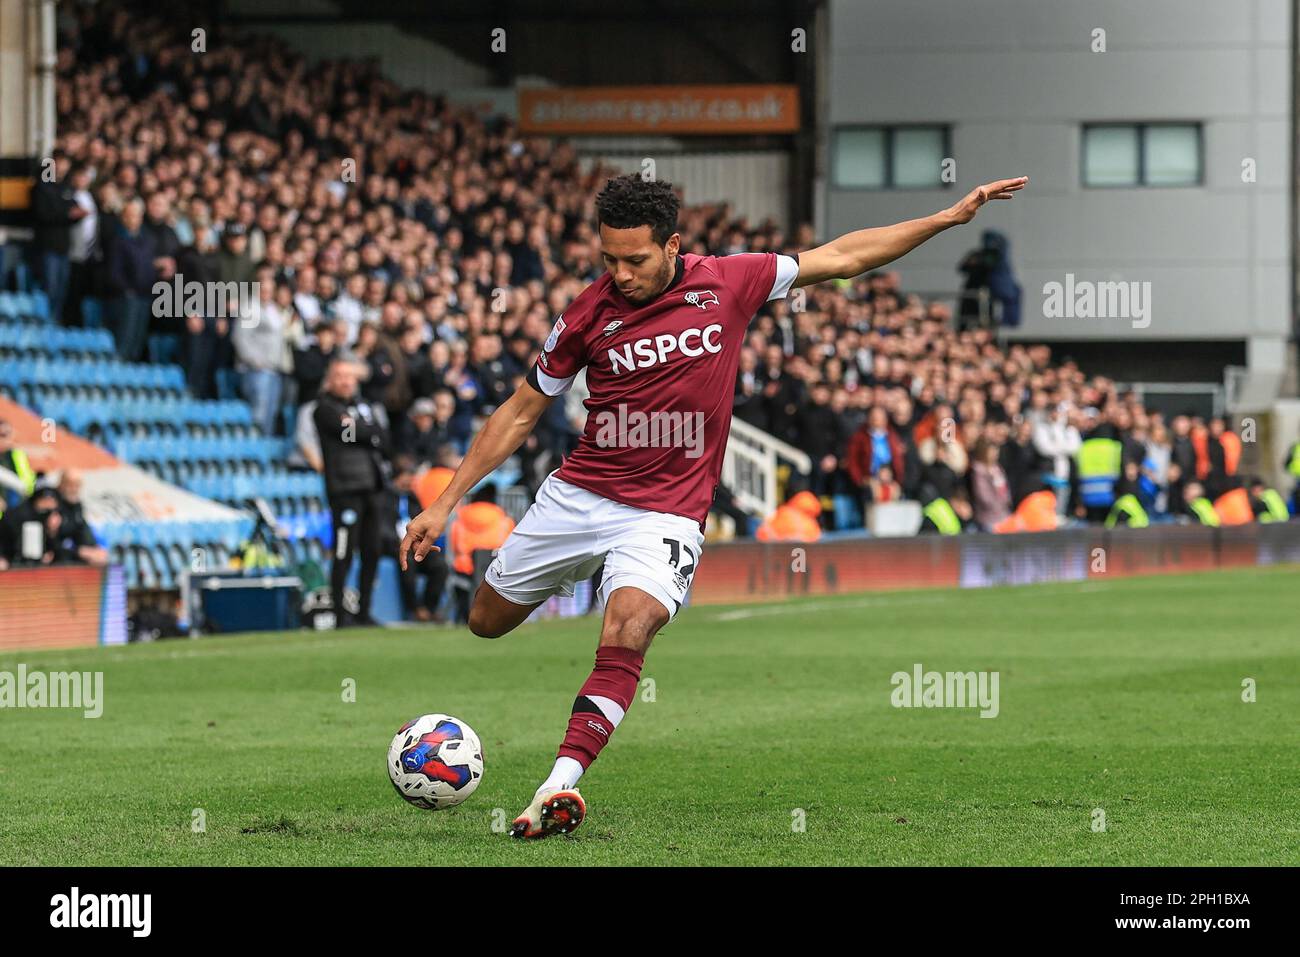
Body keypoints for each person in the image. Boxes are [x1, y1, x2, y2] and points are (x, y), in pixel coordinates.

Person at [399, 170, 1028, 840]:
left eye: (635, 260)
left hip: (664, 512)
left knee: (629, 628)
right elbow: (523, 410)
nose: (621, 273)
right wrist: (446, 502)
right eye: (608, 259)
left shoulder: (732, 280)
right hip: (581, 494)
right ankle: (585, 566)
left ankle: (557, 785)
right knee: (485, 620)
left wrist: (943, 218)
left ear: (673, 245)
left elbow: (845, 256)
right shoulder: (587, 313)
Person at [316, 358, 390, 628]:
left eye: (350, 377)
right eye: (341, 377)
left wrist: (365, 431)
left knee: (372, 550)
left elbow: (383, 437)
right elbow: (349, 433)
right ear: (331, 380)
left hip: (372, 488)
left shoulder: (364, 407)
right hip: (345, 490)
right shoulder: (323, 408)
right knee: (343, 551)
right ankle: (339, 614)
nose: (347, 382)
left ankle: (364, 611)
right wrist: (367, 432)